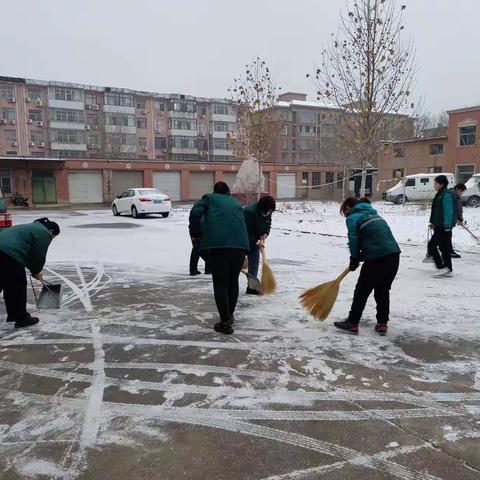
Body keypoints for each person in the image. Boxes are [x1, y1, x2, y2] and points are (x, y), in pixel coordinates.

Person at [334, 197, 401, 336]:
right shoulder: (375, 215)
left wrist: (354, 257)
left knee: (361, 291)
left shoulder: (353, 217)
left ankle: (352, 323)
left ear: (347, 208)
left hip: (377, 258)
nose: (345, 215)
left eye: (343, 212)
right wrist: (360, 256)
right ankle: (382, 323)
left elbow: (354, 239)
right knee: (382, 290)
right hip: (394, 256)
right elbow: (375, 238)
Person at [189, 182, 249, 335]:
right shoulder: (236, 203)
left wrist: (196, 235)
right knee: (232, 282)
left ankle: (225, 322)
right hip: (240, 247)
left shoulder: (209, 199)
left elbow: (195, 213)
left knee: (221, 284)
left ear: (215, 191)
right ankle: (229, 315)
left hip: (218, 246)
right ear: (228, 192)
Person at [0, 217, 60, 328]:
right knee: (17, 286)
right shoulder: (43, 233)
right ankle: (21, 318)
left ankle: (15, 315)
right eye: (53, 236)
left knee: (4, 282)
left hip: (4, 251)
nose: (51, 239)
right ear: (51, 231)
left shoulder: (30, 227)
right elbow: (38, 255)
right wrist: (36, 271)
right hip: (9, 254)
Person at [243, 195, 276, 294]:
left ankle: (252, 287)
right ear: (262, 208)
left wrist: (265, 234)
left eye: (271, 211)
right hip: (242, 241)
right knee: (238, 264)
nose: (269, 213)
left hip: (255, 241)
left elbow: (267, 224)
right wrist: (255, 240)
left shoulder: (268, 211)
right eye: (268, 210)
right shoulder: (249, 212)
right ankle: (230, 285)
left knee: (254, 263)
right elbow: (245, 230)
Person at [427, 175, 457, 277]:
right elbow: (438, 211)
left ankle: (441, 267)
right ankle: (448, 269)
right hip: (440, 225)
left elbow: (448, 211)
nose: (434, 185)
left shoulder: (446, 195)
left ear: (441, 184)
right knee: (444, 248)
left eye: (435, 183)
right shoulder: (440, 194)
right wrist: (433, 222)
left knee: (432, 245)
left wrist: (447, 225)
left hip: (444, 227)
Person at [448, 183, 467, 258]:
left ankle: (445, 249)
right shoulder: (451, 196)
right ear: (457, 189)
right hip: (448, 220)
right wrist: (457, 218)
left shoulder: (456, 196)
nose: (462, 193)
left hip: (451, 219)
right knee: (447, 235)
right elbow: (450, 209)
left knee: (446, 235)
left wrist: (460, 218)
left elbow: (459, 209)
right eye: (461, 191)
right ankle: (449, 251)